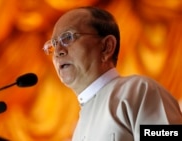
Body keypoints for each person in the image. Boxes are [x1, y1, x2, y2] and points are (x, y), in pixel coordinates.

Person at [42, 6, 182, 141]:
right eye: (53, 44)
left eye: (68, 38)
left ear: (106, 47)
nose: (58, 51)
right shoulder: (79, 127)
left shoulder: (138, 91)